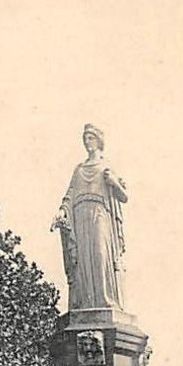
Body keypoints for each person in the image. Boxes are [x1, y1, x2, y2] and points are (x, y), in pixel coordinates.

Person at [52, 124, 128, 311]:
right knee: (82, 262)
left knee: (100, 254)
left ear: (99, 140)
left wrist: (114, 183)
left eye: (91, 138)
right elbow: (70, 194)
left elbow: (123, 196)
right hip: (79, 216)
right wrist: (62, 211)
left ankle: (105, 299)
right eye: (85, 138)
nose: (87, 142)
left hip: (100, 213)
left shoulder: (106, 166)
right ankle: (85, 303)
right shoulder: (79, 169)